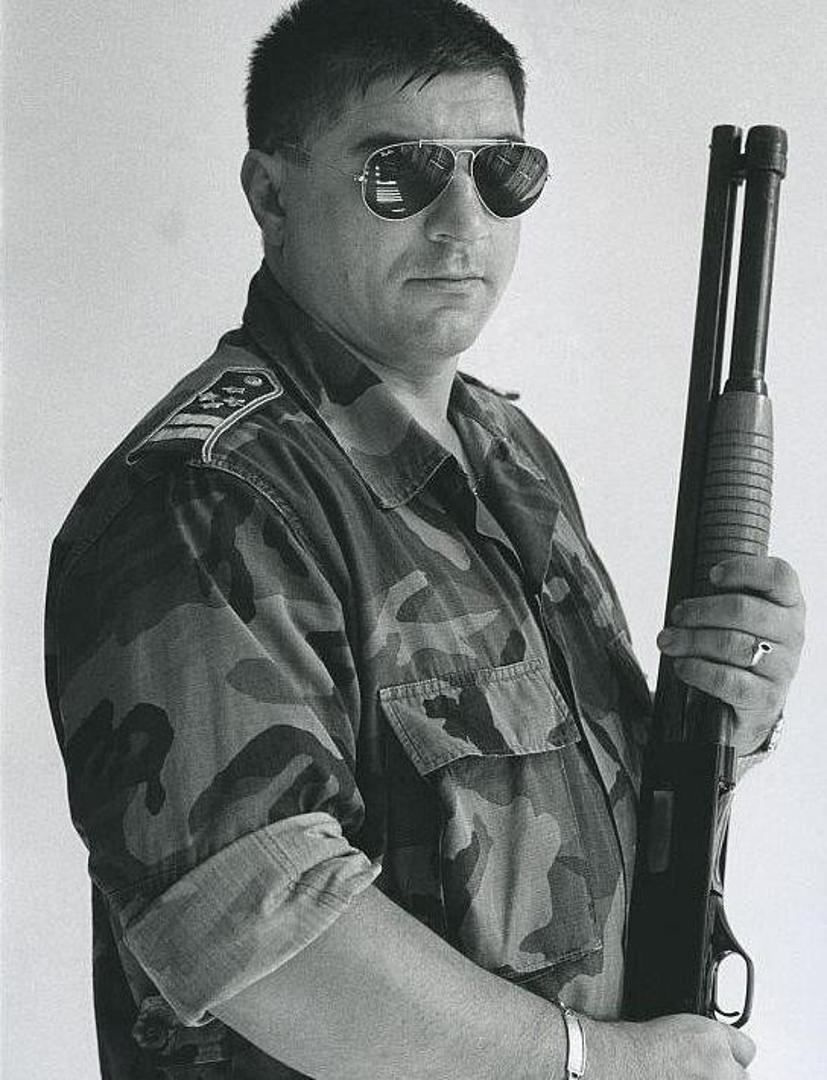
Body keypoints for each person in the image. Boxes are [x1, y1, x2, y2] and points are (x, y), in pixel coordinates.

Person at [45, 1, 805, 1077]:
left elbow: (570, 807)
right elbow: (262, 938)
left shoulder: (505, 451)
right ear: (271, 194)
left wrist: (727, 717)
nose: (462, 222)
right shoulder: (212, 499)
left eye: (502, 171)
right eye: (399, 172)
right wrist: (597, 1064)